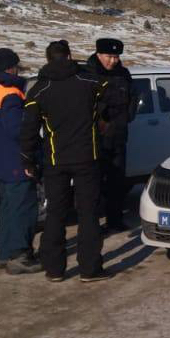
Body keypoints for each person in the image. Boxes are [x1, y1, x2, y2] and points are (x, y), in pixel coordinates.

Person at [19, 40, 111, 282]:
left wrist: (27, 160)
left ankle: (54, 269)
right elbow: (110, 102)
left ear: (48, 59)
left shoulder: (38, 90)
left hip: (54, 160)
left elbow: (28, 130)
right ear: (70, 56)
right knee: (88, 214)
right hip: (86, 158)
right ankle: (90, 269)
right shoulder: (90, 83)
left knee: (56, 215)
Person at [0, 48, 42, 274]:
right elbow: (19, 130)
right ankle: (19, 256)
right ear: (10, 68)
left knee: (7, 209)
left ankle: (4, 253)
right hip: (17, 162)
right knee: (22, 209)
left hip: (0, 160)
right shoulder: (10, 94)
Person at [83, 38, 136, 232]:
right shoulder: (88, 74)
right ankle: (92, 224)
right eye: (109, 56)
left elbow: (133, 97)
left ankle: (114, 220)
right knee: (94, 185)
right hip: (95, 139)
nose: (113, 60)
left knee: (117, 182)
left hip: (119, 137)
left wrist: (128, 116)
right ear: (98, 54)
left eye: (116, 56)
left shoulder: (123, 74)